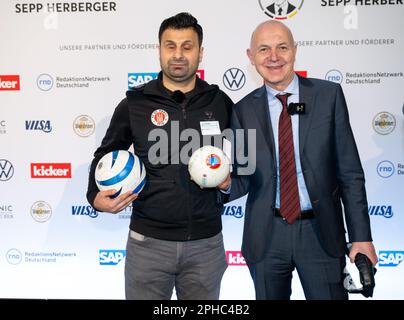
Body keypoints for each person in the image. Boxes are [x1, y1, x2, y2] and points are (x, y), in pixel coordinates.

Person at [223, 20, 377, 300]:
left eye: (282, 47)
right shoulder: (243, 110)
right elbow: (243, 179)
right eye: (264, 49)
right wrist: (222, 183)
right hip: (266, 237)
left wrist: (362, 237)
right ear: (250, 56)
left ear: (295, 50)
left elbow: (350, 172)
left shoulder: (328, 96)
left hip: (321, 234)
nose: (273, 57)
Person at [86, 12, 232, 300]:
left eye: (187, 46)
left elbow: (241, 160)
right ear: (159, 50)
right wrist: (94, 195)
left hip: (205, 245)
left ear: (200, 53)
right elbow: (105, 153)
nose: (178, 55)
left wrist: (229, 184)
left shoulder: (220, 102)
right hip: (147, 245)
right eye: (170, 46)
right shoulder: (135, 103)